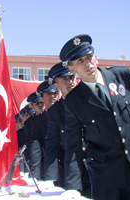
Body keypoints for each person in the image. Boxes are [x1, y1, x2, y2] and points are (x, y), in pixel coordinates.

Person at [59, 34, 130, 200]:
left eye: (89, 57)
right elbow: (73, 144)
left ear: (96, 58)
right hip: (106, 177)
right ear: (72, 69)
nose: (87, 64)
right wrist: (73, 186)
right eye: (79, 61)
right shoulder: (73, 101)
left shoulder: (121, 76)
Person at [44, 62, 91, 197]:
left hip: (97, 166)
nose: (70, 82)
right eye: (64, 79)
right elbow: (52, 145)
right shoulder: (55, 112)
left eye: (71, 77)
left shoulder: (89, 99)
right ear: (56, 84)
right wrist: (50, 177)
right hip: (72, 170)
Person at [30, 81, 58, 181]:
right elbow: (36, 149)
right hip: (50, 166)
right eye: (48, 94)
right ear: (42, 98)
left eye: (54, 93)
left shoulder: (68, 113)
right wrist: (34, 174)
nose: (52, 96)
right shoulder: (37, 121)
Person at [22, 92, 44, 177]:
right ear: (32, 106)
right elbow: (28, 143)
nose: (40, 105)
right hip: (37, 157)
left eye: (41, 103)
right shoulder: (29, 122)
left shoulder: (52, 116)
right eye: (37, 104)